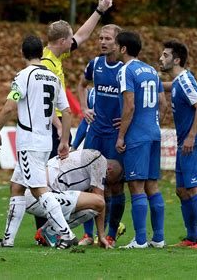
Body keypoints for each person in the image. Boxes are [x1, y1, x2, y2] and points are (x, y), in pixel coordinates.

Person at [33, 0, 114, 232]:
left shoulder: (53, 55)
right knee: (47, 179)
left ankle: (48, 228)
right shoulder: (46, 65)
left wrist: (100, 11)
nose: (74, 42)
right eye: (69, 39)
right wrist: (59, 129)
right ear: (61, 42)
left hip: (53, 128)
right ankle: (47, 229)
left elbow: (82, 34)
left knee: (50, 178)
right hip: (48, 130)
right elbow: (42, 102)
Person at [0, 35, 77, 249]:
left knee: (39, 189)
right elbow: (66, 111)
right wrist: (64, 139)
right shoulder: (53, 77)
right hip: (45, 140)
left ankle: (66, 233)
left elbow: (10, 106)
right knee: (17, 186)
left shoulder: (24, 75)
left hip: (29, 141)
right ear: (41, 53)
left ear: (22, 53)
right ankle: (8, 240)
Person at [159, 40, 197, 249]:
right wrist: (150, 80)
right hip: (184, 143)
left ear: (177, 60)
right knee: (182, 190)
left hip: (194, 142)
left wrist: (191, 136)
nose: (160, 58)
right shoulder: (178, 82)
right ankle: (192, 236)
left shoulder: (185, 81)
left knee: (194, 188)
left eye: (165, 55)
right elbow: (170, 86)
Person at [115, 31, 167, 249]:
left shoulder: (126, 70)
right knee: (152, 186)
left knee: (136, 187)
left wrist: (121, 135)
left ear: (123, 49)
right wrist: (154, 123)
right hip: (154, 133)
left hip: (137, 136)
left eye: (117, 45)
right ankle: (159, 238)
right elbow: (163, 104)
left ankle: (140, 239)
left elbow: (130, 105)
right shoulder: (152, 70)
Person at [76, 24, 126, 248]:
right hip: (95, 133)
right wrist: (84, 108)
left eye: (108, 39)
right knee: (88, 184)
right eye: (100, 38)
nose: (103, 42)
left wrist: (127, 122)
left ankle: (112, 233)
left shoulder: (126, 69)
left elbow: (136, 101)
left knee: (115, 184)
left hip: (115, 135)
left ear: (118, 44)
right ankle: (88, 234)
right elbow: (81, 85)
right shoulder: (95, 64)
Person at [29, 149, 110, 248]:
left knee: (90, 207)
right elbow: (100, 201)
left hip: (34, 194)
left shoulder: (84, 158)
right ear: (109, 170)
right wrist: (102, 236)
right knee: (98, 202)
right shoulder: (100, 161)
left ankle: (49, 231)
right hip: (39, 195)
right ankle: (50, 231)